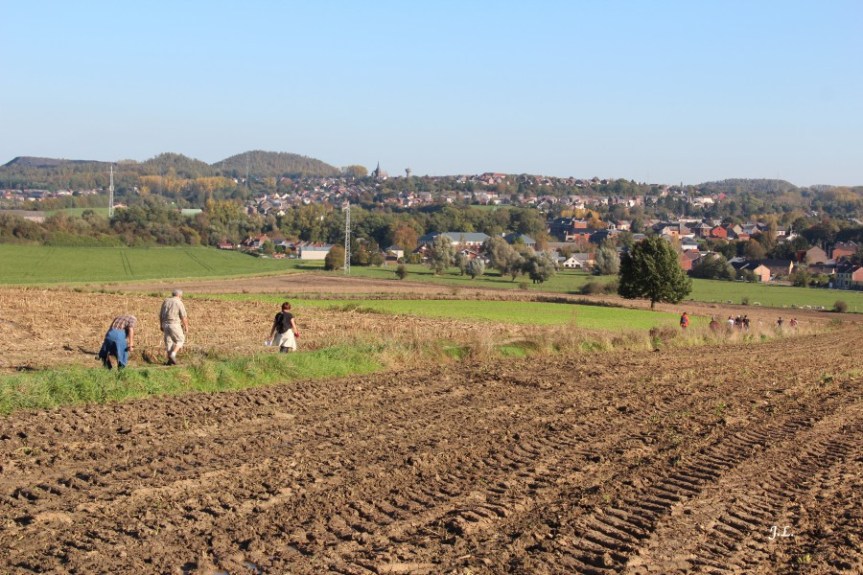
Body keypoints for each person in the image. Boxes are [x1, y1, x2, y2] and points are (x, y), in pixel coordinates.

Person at [160, 289, 189, 365]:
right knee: (181, 340)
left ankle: (170, 361)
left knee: (169, 343)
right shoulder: (179, 302)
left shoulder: (166, 301)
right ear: (179, 295)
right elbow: (183, 316)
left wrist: (161, 324)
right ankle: (173, 355)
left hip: (165, 324)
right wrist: (186, 326)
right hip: (174, 324)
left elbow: (160, 314)